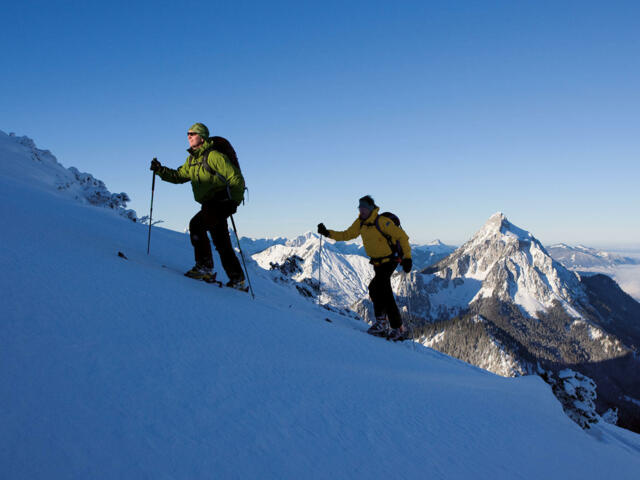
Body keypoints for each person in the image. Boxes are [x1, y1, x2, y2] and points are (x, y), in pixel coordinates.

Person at [150, 123, 246, 289]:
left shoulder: (214, 156)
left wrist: (233, 201)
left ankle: (204, 268)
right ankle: (237, 279)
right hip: (209, 204)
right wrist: (160, 170)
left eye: (192, 134)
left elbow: (236, 178)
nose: (188, 136)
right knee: (222, 243)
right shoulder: (192, 160)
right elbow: (179, 175)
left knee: (196, 225)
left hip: (221, 202)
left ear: (202, 137)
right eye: (187, 133)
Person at [317, 195, 412, 340]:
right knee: (378, 290)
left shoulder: (382, 221)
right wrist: (327, 232)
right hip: (377, 263)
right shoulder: (361, 223)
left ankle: (391, 326)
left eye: (364, 208)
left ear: (370, 208)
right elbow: (347, 234)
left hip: (389, 261)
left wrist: (407, 258)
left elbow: (402, 237)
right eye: (359, 208)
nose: (361, 211)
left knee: (380, 289)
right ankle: (390, 326)